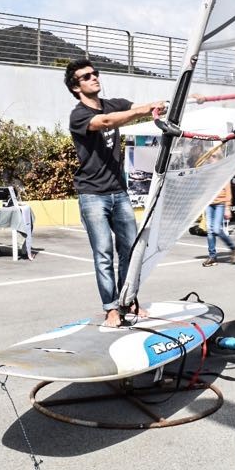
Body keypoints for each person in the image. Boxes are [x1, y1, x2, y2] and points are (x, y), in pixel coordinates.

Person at [65, 58, 167, 327]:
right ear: (76, 87)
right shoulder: (78, 115)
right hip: (92, 194)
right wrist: (144, 111)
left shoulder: (114, 103)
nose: (94, 77)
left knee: (131, 251)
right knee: (104, 254)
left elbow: (135, 107)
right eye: (86, 76)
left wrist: (158, 105)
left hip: (119, 192)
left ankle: (129, 301)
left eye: (95, 73)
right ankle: (111, 308)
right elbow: (108, 121)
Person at [202, 181, 235, 267]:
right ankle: (212, 257)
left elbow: (228, 191)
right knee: (210, 231)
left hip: (220, 204)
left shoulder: (224, 173)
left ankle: (233, 247)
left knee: (216, 229)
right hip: (209, 204)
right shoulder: (210, 174)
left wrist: (227, 207)